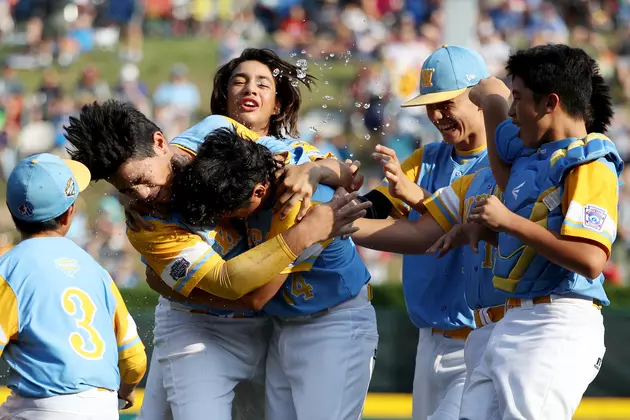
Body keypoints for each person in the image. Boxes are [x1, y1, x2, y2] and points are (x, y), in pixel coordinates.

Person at [64, 75, 359, 420]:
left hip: (271, 326)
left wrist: (313, 169)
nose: (142, 196)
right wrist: (305, 233)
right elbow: (239, 288)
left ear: (160, 142)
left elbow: (346, 174)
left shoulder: (218, 133)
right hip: (199, 329)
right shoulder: (146, 222)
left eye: (141, 179)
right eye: (127, 190)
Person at [459, 44, 620, 419]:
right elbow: (502, 152)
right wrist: (495, 234)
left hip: (556, 323)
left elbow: (590, 259)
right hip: (511, 321)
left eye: (518, 99)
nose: (513, 112)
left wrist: (509, 222)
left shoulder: (591, 162)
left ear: (550, 103)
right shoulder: (536, 155)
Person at [172, 128, 377, 420]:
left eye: (230, 209)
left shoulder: (303, 202)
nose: (225, 216)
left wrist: (185, 293)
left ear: (258, 191)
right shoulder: (257, 172)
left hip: (335, 324)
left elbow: (258, 298)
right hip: (286, 325)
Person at [355, 45, 491, 420]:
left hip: (479, 340)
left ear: (479, 96)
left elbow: (462, 221)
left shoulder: (502, 163)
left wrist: (417, 198)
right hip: (429, 339)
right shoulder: (427, 158)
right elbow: (376, 206)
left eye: (447, 102)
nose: (436, 114)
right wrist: (331, 215)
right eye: (430, 105)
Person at [0, 153, 147, 420]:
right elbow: (135, 359)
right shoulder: (97, 272)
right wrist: (125, 391)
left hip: (41, 407)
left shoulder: (8, 269)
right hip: (102, 408)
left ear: (12, 212)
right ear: (69, 214)